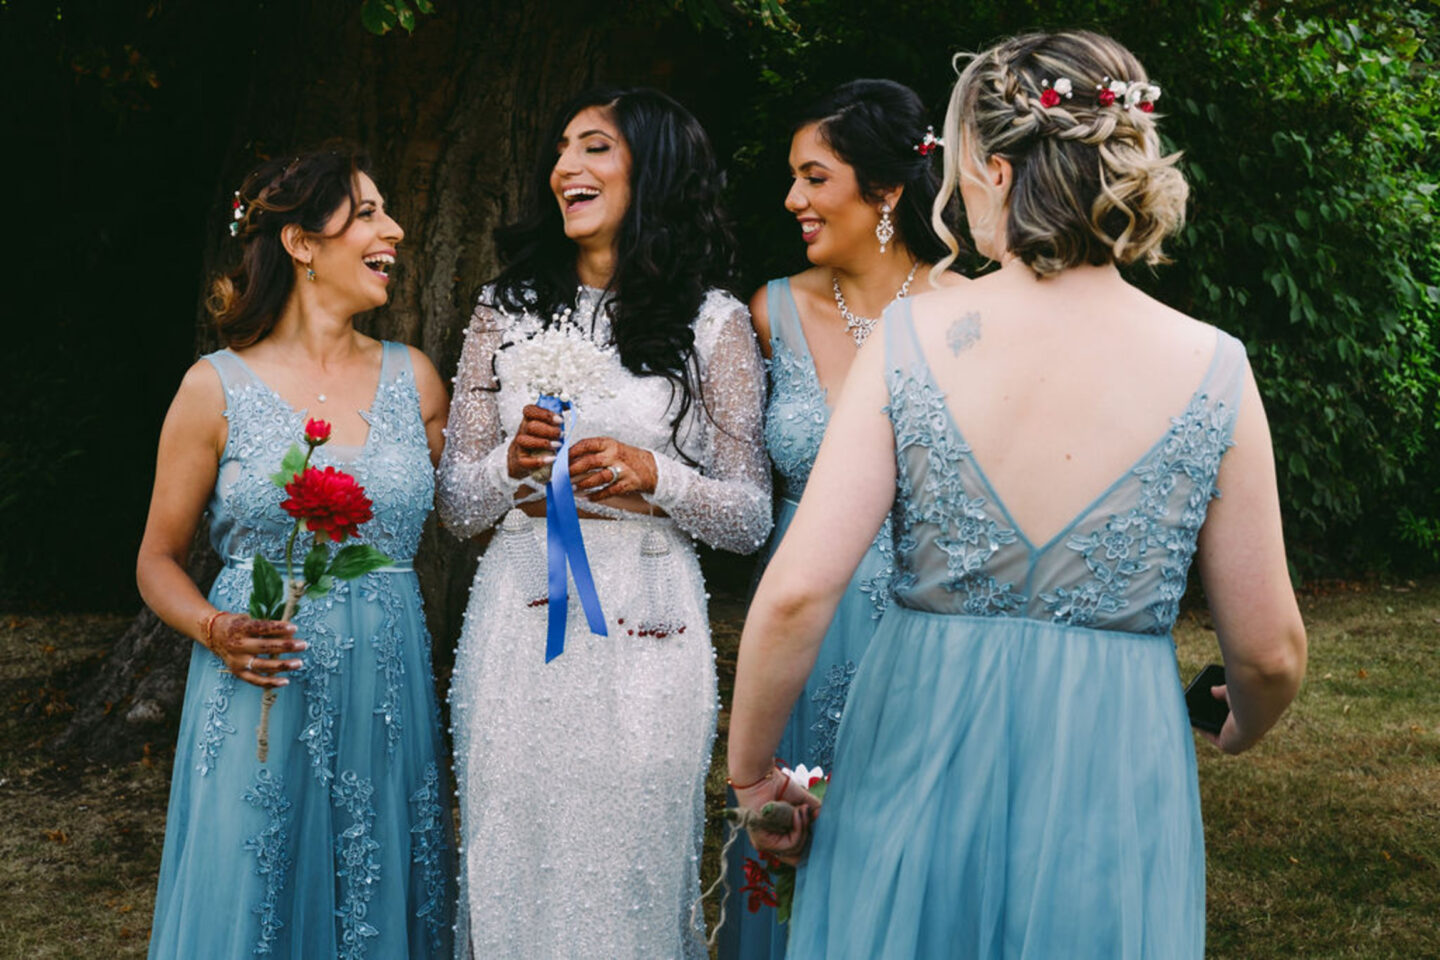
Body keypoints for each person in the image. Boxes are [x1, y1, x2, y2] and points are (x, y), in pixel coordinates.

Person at [727, 30, 1307, 959]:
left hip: (916, 748)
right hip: (1115, 770)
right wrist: (1236, 727)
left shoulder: (911, 339)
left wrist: (754, 778)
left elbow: (798, 593)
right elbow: (1271, 652)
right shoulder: (1216, 368)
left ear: (997, 170)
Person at [436, 87, 770, 959]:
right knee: (510, 842)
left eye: (594, 149)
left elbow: (750, 515)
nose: (564, 168)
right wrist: (511, 471)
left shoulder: (714, 321)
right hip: (517, 613)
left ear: (651, 171)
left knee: (630, 858)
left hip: (648, 617)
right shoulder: (502, 308)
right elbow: (453, 504)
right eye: (560, 149)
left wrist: (657, 474)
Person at [138, 146, 455, 959]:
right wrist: (213, 628)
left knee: (380, 890)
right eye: (371, 212)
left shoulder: (414, 377)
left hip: (387, 691)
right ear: (302, 243)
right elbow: (158, 560)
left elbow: (475, 505)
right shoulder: (212, 387)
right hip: (260, 688)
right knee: (257, 894)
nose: (397, 229)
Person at [721, 78, 966, 960]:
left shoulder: (972, 312)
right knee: (789, 855)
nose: (794, 199)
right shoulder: (772, 310)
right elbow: (741, 494)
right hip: (797, 622)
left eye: (815, 177)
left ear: (887, 190)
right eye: (794, 177)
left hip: (918, 621)